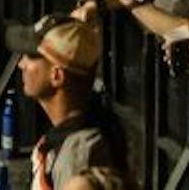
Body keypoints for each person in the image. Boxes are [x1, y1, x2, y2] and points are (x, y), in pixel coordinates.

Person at [11, 11, 129, 187]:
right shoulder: (72, 133)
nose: (21, 64)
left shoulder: (80, 153)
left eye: (32, 57)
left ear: (57, 76)